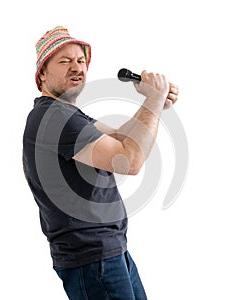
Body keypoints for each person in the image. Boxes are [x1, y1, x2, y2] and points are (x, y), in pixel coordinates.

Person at [23, 26, 178, 300]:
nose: (77, 67)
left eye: (81, 60)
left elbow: (121, 137)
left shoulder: (67, 115)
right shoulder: (55, 118)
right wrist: (153, 101)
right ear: (42, 74)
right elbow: (129, 159)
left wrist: (152, 104)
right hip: (93, 259)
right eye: (65, 60)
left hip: (109, 252)